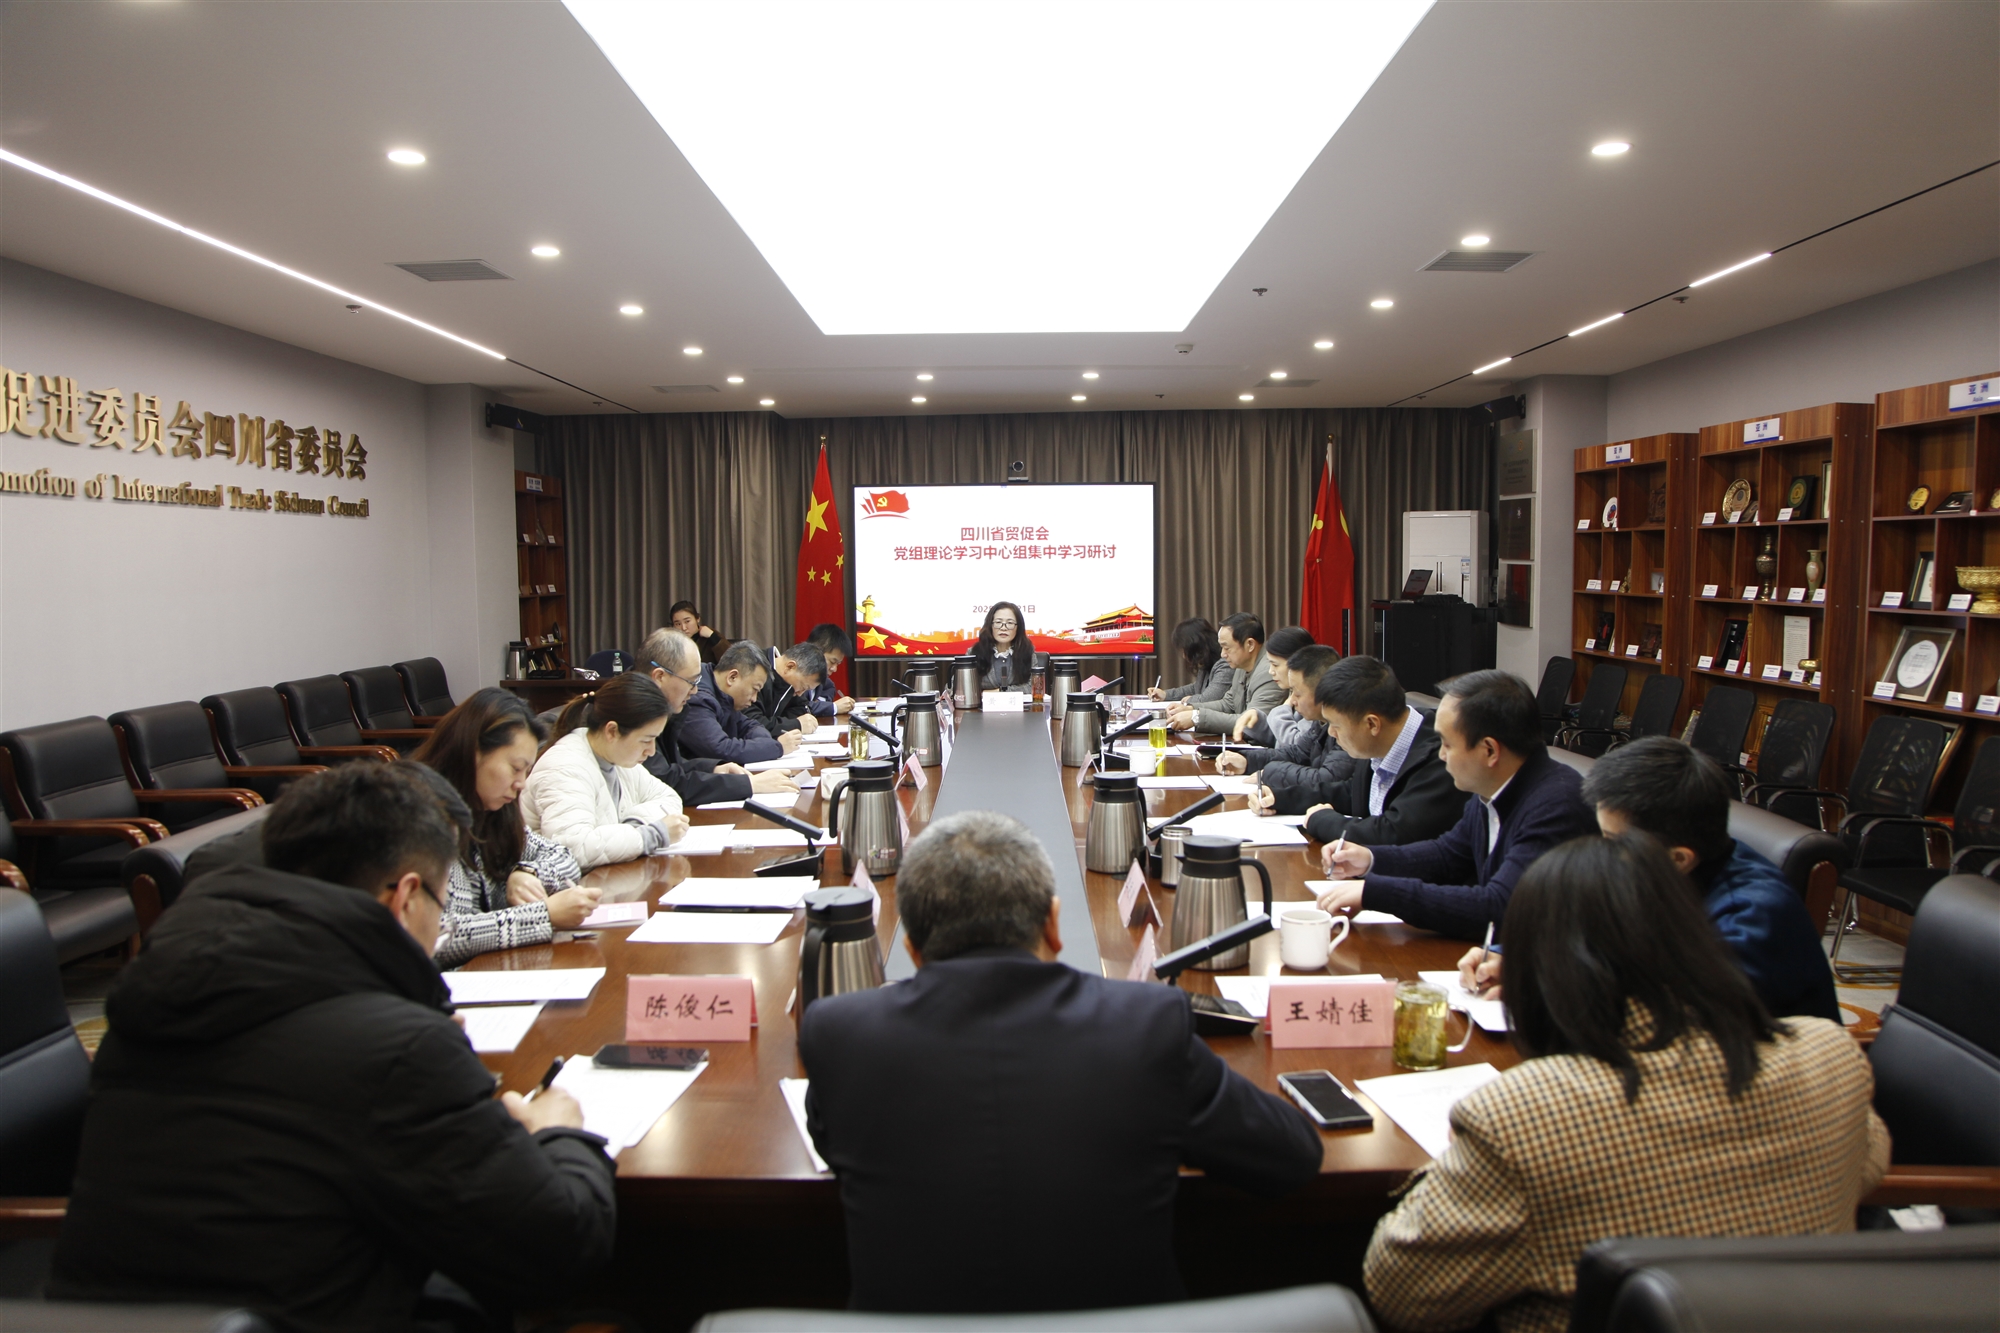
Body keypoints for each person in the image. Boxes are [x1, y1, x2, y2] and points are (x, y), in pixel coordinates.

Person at [49, 762, 617, 1329]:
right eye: (442, 904)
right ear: (405, 898)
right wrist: (560, 1131)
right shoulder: (396, 1049)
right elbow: (558, 1250)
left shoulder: (161, 990)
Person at [799, 810, 1323, 1313]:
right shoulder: (1145, 1026)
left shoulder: (840, 1035)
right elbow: (1291, 1156)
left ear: (913, 949)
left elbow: (832, 1142)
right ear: (1053, 923)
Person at [1365, 833, 1888, 1333]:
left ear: (1545, 971)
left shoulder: (1524, 1115)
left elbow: (1400, 1292)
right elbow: (1868, 1161)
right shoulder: (1829, 1054)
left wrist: (1451, 1163)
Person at [1457, 737, 1841, 1023]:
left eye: (1612, 840)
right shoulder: (1653, 866)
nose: (1602, 852)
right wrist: (1513, 957)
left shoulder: (1754, 916)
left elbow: (1671, 1012)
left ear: (1679, 858)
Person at [1315, 669, 1595, 939]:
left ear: (1489, 750)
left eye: (1447, 744)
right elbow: (1448, 854)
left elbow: (1499, 905)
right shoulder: (1492, 787)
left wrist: (1375, 893)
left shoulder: (1556, 805)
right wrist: (1370, 859)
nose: (1441, 755)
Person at [411, 688, 601, 968]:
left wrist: (527, 872)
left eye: (526, 771)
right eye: (515, 768)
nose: (521, 783)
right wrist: (543, 916)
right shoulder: (420, 817)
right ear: (472, 753)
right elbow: (436, 935)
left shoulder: (492, 808)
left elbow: (562, 856)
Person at [522, 672, 690, 870]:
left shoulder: (618, 759)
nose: (651, 751)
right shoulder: (564, 767)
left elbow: (668, 797)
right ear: (612, 731)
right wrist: (651, 835)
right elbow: (571, 848)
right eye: (646, 740)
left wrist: (633, 825)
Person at [1303, 655, 1463, 850]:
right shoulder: (1378, 743)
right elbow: (1352, 793)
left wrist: (1322, 821)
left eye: (1336, 725)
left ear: (1372, 724)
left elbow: (1393, 833)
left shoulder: (1441, 759)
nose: (1331, 733)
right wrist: (1280, 798)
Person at [639, 626, 799, 806]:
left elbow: (673, 766)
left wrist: (714, 768)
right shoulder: (635, 711)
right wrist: (749, 784)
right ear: (660, 677)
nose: (694, 690)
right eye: (691, 682)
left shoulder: (663, 705)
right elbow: (666, 781)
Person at [1213, 645, 1352, 814]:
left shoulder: (1347, 727)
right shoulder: (1320, 723)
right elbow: (1297, 753)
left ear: (1322, 692)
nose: (1291, 701)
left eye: (1297, 693)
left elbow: (1327, 779)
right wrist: (1247, 761)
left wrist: (1271, 772)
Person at [677, 640, 798, 764]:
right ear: (732, 677)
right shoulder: (699, 699)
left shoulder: (723, 694)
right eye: (754, 689)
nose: (754, 699)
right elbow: (721, 749)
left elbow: (748, 725)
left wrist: (765, 743)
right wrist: (777, 747)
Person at [1165, 612, 1283, 737]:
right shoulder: (1241, 666)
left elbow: (1250, 723)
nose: (1222, 654)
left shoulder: (1269, 672)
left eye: (1227, 648)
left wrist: (1196, 717)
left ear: (1250, 645)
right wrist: (1191, 708)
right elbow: (1228, 704)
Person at [1236, 625, 1318, 747]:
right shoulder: (1292, 692)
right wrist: (1257, 721)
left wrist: (1283, 709)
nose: (1271, 671)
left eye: (1275, 665)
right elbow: (1278, 739)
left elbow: (1296, 747)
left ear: (1298, 663)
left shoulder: (1313, 698)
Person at [743, 641, 829, 737]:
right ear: (790, 667)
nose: (800, 693)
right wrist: (795, 725)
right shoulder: (755, 671)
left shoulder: (791, 684)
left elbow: (801, 708)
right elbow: (752, 723)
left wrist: (779, 723)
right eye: (803, 687)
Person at [1149, 616, 1230, 704]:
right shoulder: (1207, 662)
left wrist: (1189, 700)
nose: (1184, 656)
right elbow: (1196, 688)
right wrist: (1166, 694)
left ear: (1196, 647)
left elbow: (1209, 699)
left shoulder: (1226, 665)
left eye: (1185, 650)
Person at [973, 601, 1034, 690]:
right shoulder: (975, 652)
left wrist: (1000, 692)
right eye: (998, 622)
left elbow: (1033, 687)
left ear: (1018, 627)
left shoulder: (1027, 652)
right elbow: (961, 687)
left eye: (1010, 623)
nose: (1003, 628)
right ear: (990, 625)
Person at [804, 622, 856, 718]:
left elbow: (829, 687)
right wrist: (833, 707)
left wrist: (820, 703)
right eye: (832, 662)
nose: (834, 669)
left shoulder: (824, 682)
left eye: (838, 664)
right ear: (815, 651)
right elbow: (800, 708)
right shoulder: (795, 675)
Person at [670, 598, 731, 665]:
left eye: (687, 621)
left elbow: (731, 661)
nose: (684, 628)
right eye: (678, 624)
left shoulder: (710, 636)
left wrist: (713, 637)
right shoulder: (671, 643)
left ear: (697, 619)